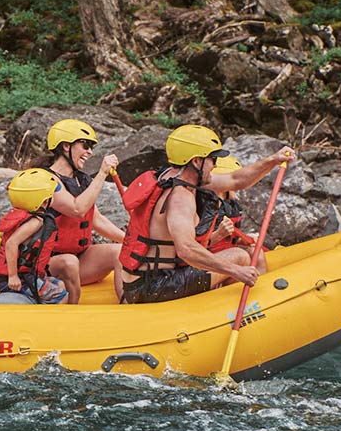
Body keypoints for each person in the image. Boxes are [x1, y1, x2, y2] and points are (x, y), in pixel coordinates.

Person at [117, 124, 292, 305]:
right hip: (155, 286)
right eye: (212, 159)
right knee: (240, 257)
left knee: (237, 257)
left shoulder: (171, 177)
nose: (215, 164)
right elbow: (186, 249)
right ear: (196, 161)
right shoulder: (179, 198)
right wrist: (235, 271)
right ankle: (236, 309)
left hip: (143, 280)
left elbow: (236, 179)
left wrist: (273, 160)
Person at [41, 118, 126, 302]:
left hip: (80, 259)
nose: (89, 152)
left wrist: (130, 241)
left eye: (91, 147)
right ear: (65, 146)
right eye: (85, 145)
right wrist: (102, 173)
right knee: (69, 264)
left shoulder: (82, 179)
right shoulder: (46, 180)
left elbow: (96, 219)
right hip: (51, 263)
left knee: (120, 251)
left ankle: (127, 306)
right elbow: (76, 209)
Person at [0, 168, 70, 304]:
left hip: (27, 275)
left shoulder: (29, 217)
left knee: (60, 284)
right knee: (61, 296)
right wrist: (13, 276)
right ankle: (49, 322)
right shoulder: (35, 222)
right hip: (19, 279)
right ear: (44, 201)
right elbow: (11, 244)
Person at [194, 155, 270, 273]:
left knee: (256, 252)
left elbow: (229, 239)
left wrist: (241, 240)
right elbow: (192, 248)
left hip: (222, 251)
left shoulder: (229, 204)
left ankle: (261, 285)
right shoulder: (200, 206)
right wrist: (218, 235)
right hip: (204, 259)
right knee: (244, 255)